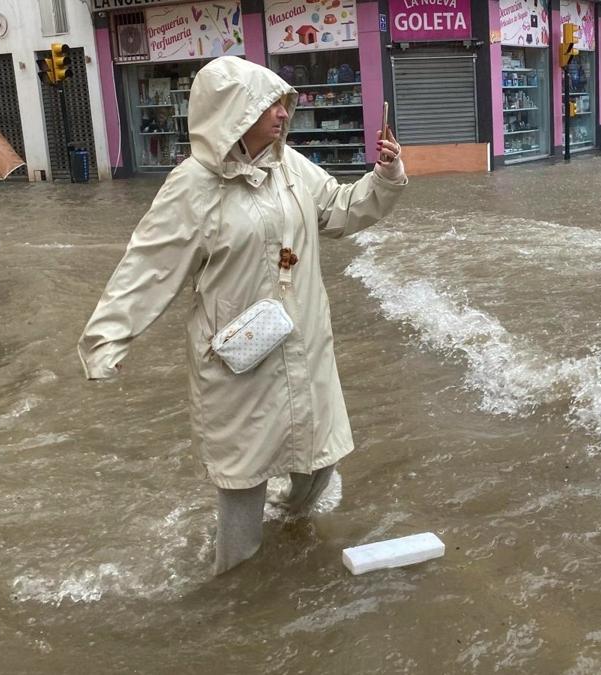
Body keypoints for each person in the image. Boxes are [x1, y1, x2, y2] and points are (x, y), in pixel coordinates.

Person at [77, 56, 407, 576]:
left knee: (319, 458)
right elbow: (148, 265)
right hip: (239, 358)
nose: (282, 114)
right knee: (243, 477)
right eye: (269, 105)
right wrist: (108, 339)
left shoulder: (290, 168)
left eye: (282, 103)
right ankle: (234, 585)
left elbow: (339, 209)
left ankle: (289, 528)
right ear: (234, 112)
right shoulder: (193, 186)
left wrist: (384, 177)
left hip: (304, 344)